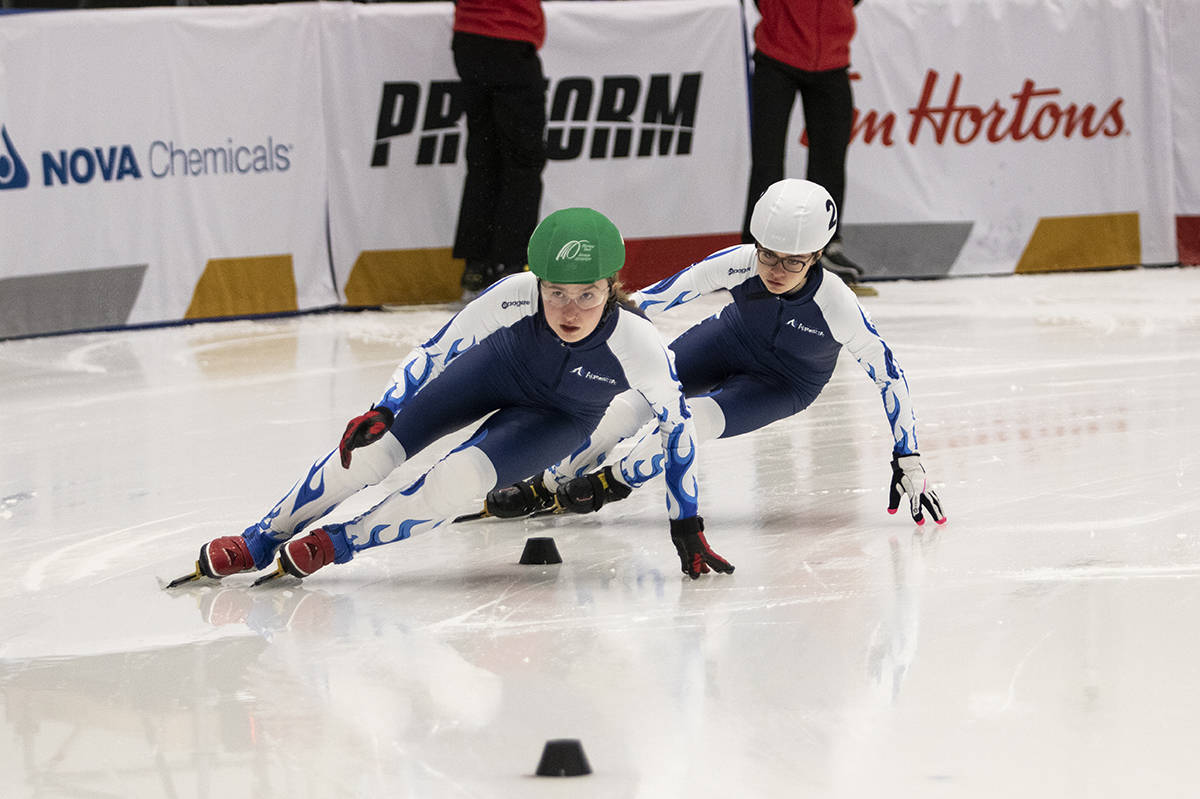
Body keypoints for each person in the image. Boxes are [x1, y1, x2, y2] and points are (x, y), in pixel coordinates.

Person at [173, 208, 734, 585]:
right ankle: (260, 537)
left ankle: (339, 543)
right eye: (555, 292)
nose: (568, 311)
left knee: (457, 482)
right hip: (495, 373)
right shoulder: (514, 297)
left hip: (560, 417)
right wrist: (384, 408)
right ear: (536, 281)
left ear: (612, 286)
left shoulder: (639, 346)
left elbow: (677, 429)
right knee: (369, 455)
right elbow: (434, 352)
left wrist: (686, 522)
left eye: (587, 295)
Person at [484, 179, 946, 529]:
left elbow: (889, 375)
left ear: (819, 253)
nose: (776, 271)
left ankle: (611, 483)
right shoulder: (741, 262)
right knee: (630, 403)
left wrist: (908, 457)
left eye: (794, 262)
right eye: (768, 255)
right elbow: (650, 301)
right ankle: (546, 482)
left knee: (692, 420)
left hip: (782, 385)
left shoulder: (837, 303)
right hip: (727, 341)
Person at [741, 0, 865, 283]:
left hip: (833, 58)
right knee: (767, 162)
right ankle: (755, 249)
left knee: (830, 162)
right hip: (776, 56)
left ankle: (825, 246)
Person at [451, 0, 549, 299]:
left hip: (469, 40)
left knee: (483, 159)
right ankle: (508, 265)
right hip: (511, 40)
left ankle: (476, 265)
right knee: (522, 163)